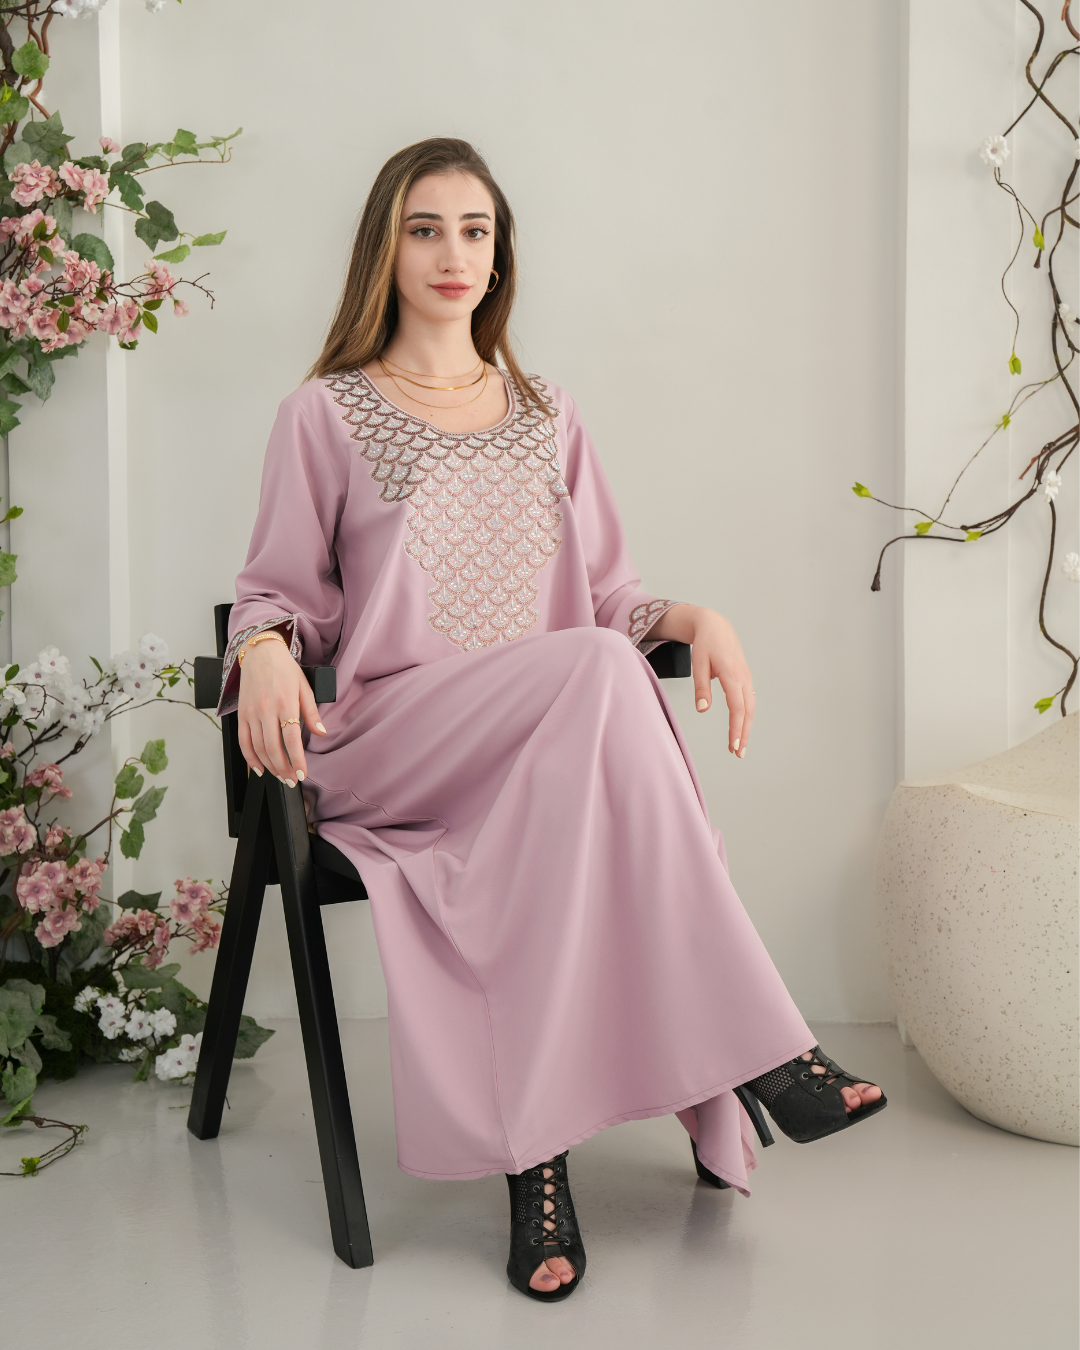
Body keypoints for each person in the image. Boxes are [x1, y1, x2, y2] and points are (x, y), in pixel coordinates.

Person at [220, 137, 886, 1303]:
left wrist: (696, 616)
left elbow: (611, 598)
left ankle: (540, 1172)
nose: (452, 252)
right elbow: (279, 591)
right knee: (594, 672)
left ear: (500, 253)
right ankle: (770, 1052)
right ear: (386, 248)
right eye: (425, 228)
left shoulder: (548, 413)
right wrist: (264, 646)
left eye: (474, 230)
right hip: (399, 745)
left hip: (549, 752)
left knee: (574, 755)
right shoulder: (322, 413)